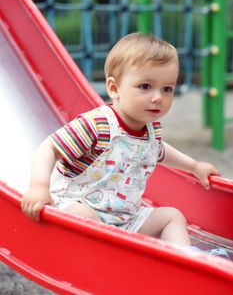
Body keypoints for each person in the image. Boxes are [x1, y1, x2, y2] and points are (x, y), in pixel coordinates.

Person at [21, 33, 228, 258]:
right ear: (114, 88)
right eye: (145, 86)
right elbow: (48, 148)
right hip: (77, 206)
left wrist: (194, 166)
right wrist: (39, 186)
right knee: (83, 215)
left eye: (167, 89)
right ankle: (108, 260)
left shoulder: (150, 129)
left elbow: (159, 151)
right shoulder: (97, 124)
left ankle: (184, 258)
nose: (158, 97)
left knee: (172, 216)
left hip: (125, 218)